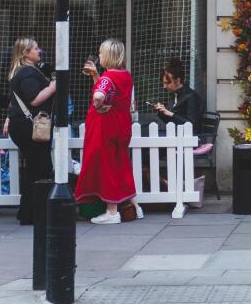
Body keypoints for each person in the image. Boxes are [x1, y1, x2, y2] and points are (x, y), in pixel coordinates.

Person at [77, 39, 138, 225]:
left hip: (105, 127)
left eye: (101, 53)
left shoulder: (108, 78)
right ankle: (135, 206)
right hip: (121, 126)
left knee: (106, 167)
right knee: (121, 165)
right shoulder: (125, 75)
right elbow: (110, 92)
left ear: (109, 56)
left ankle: (112, 212)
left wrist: (99, 104)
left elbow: (99, 95)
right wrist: (96, 77)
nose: (99, 56)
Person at [5, 37, 55, 227]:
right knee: (39, 167)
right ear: (26, 53)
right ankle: (32, 213)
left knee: (35, 167)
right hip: (30, 127)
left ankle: (29, 212)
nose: (39, 50)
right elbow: (34, 99)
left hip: (24, 125)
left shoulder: (26, 71)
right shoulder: (27, 73)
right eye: (36, 48)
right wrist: (52, 87)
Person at [150, 58, 203, 132]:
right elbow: (171, 122)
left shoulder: (191, 97)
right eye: (163, 83)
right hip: (175, 136)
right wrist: (162, 112)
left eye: (167, 83)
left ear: (178, 80)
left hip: (189, 140)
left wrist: (171, 114)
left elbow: (192, 125)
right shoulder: (175, 95)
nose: (164, 86)